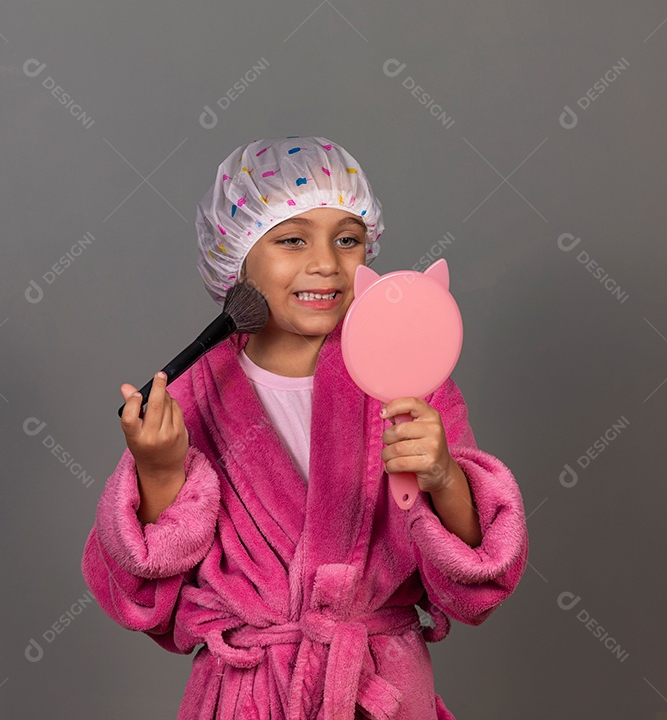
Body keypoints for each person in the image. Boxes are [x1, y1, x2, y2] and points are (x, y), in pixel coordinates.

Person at [81, 136, 529, 720]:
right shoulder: (193, 395)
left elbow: (476, 580)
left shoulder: (407, 373)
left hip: (376, 686)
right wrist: (161, 470)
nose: (326, 263)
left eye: (348, 239)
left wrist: (444, 476)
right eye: (292, 240)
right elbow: (142, 593)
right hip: (250, 694)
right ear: (235, 256)